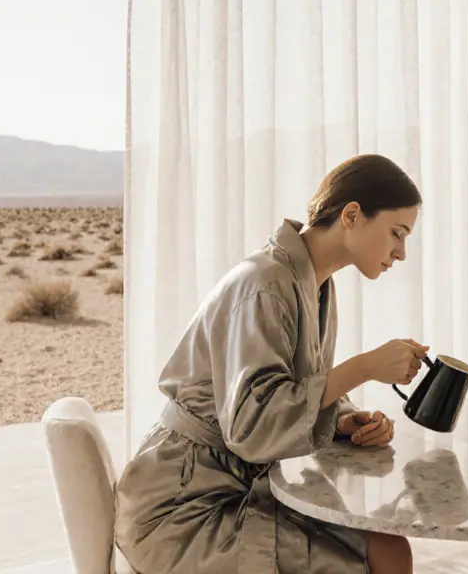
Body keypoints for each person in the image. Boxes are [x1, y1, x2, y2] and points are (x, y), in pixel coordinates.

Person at [115, 154, 430, 574]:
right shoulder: (264, 282)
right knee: (365, 558)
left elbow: (289, 387)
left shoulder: (314, 284)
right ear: (352, 215)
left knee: (388, 543)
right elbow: (251, 427)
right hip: (184, 505)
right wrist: (363, 368)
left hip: (231, 484)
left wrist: (343, 419)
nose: (402, 252)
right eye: (397, 232)